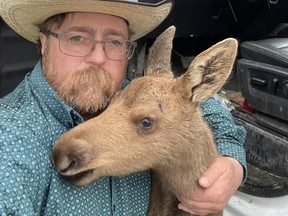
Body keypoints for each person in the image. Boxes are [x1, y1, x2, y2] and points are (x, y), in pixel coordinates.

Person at [0, 0, 247, 215]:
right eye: (77, 38)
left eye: (115, 41)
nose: (98, 57)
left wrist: (231, 163)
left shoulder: (124, 91)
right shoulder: (11, 139)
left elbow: (202, 109)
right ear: (44, 43)